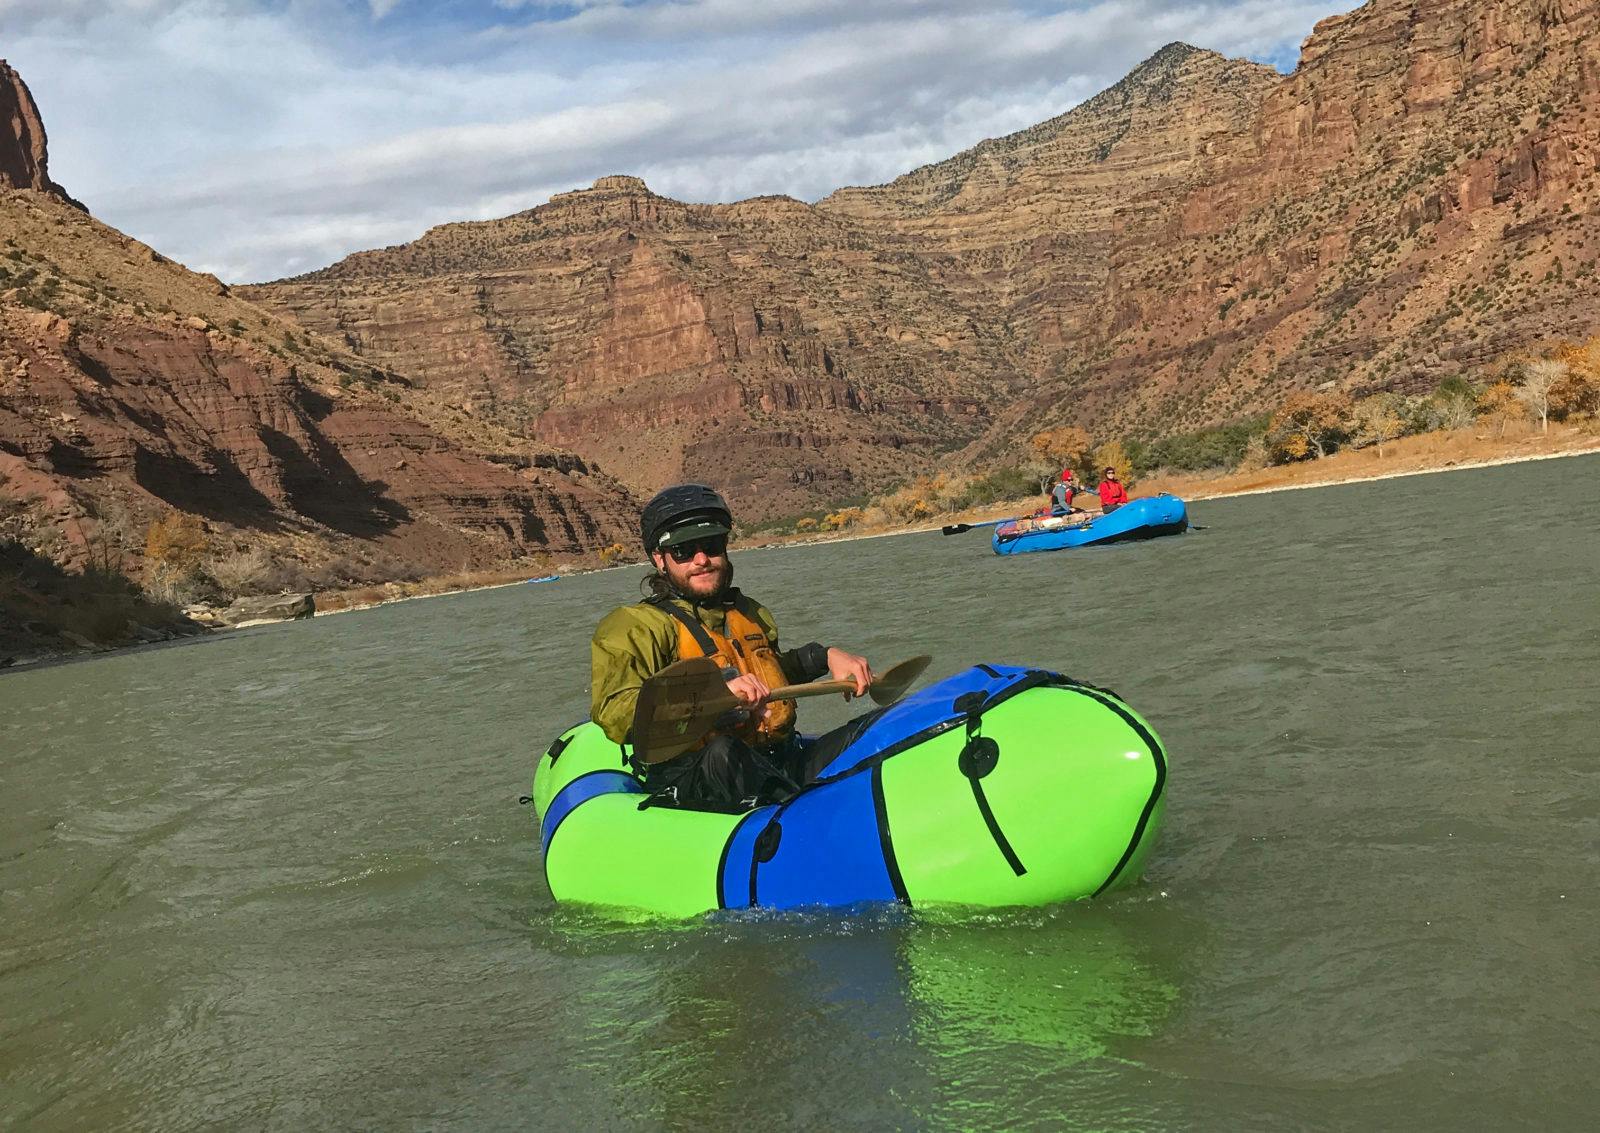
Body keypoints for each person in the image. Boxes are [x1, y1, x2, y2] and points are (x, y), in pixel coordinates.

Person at [590, 483, 875, 809]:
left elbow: (773, 675)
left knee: (873, 729)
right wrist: (713, 696)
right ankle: (802, 821)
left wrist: (825, 656)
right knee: (723, 752)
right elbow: (616, 712)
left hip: (778, 760)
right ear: (660, 560)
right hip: (701, 773)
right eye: (683, 551)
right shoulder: (636, 626)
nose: (701, 560)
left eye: (710, 545)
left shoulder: (750, 612)